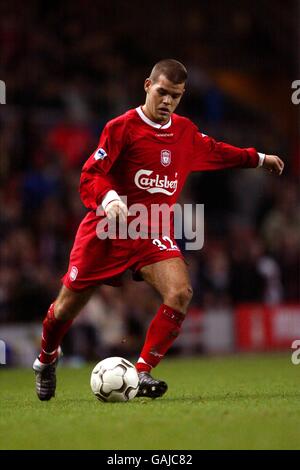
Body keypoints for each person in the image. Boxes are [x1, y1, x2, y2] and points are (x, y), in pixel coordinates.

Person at [33, 59, 284, 400]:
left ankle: (141, 372)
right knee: (64, 309)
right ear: (148, 86)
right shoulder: (121, 127)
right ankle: (46, 360)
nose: (167, 101)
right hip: (107, 230)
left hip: (150, 233)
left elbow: (217, 151)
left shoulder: (184, 132)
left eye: (176, 96)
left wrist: (257, 158)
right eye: (163, 92)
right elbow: (91, 173)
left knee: (180, 293)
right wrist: (108, 198)